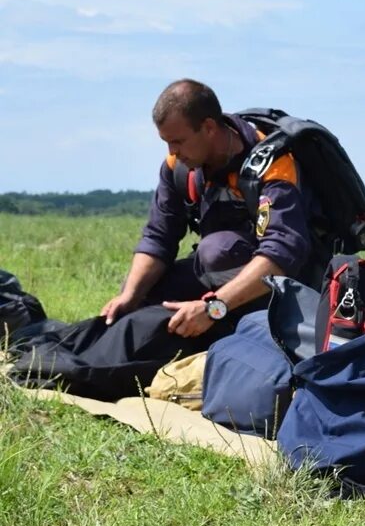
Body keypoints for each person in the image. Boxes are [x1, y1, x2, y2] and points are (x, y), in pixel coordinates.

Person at [100, 79, 321, 339]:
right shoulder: (178, 166)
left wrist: (213, 308)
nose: (172, 151)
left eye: (179, 141)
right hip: (219, 276)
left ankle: (230, 332)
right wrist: (129, 295)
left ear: (208, 127)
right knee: (143, 291)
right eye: (166, 142)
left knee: (215, 251)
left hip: (285, 284)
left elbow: (281, 253)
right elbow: (159, 237)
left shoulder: (274, 164)